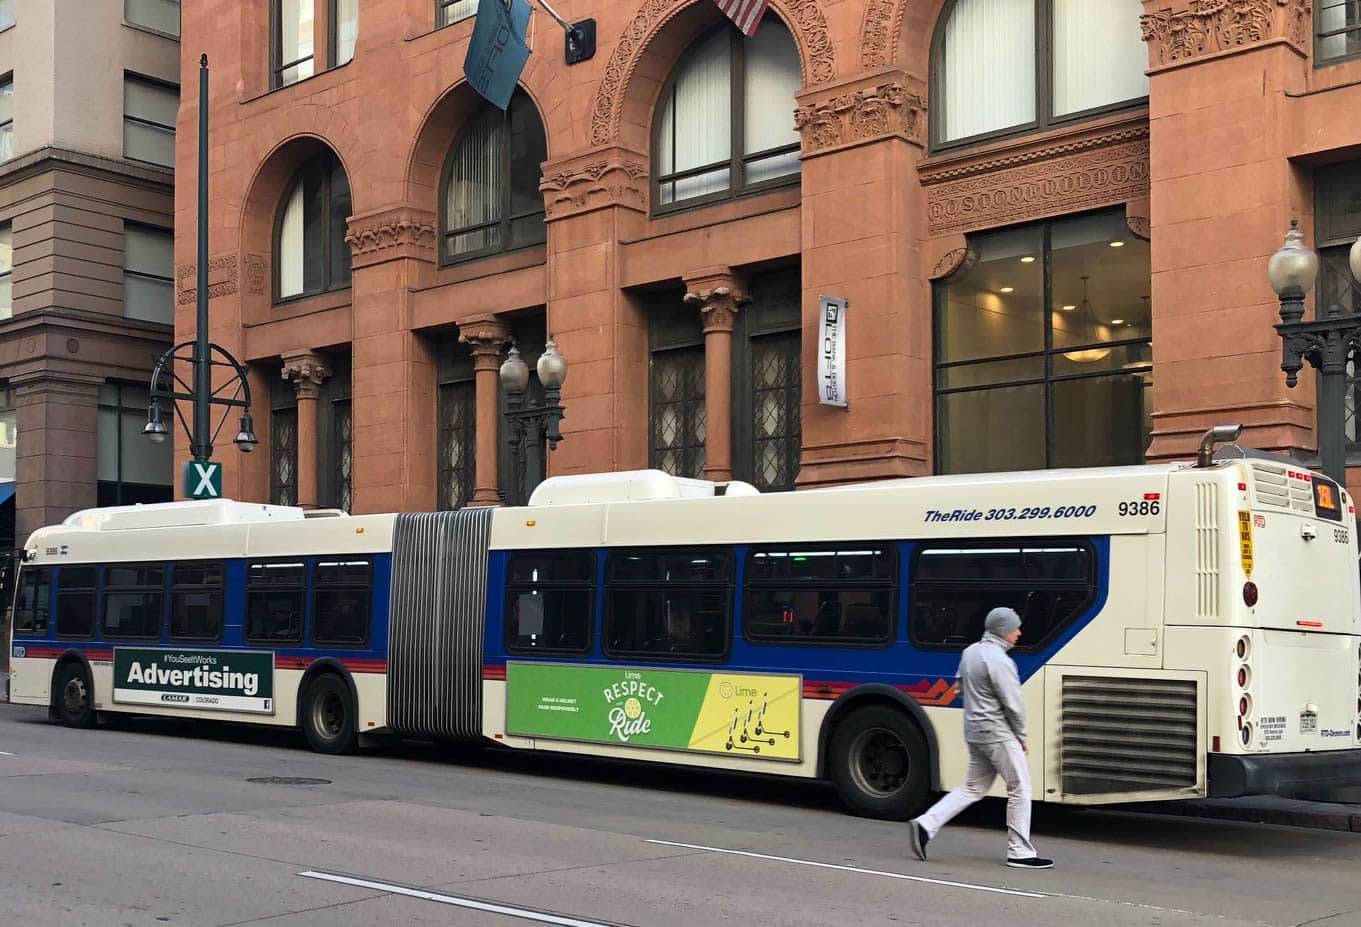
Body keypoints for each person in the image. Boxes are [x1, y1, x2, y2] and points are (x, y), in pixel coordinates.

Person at [908, 606, 1053, 870]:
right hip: (998, 733)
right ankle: (1020, 852)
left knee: (973, 788)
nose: (1019, 632)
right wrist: (1021, 736)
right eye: (1015, 628)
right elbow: (1014, 704)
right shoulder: (999, 661)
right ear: (1002, 630)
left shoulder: (970, 652)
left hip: (974, 731)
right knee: (1020, 788)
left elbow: (959, 688)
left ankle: (926, 824)